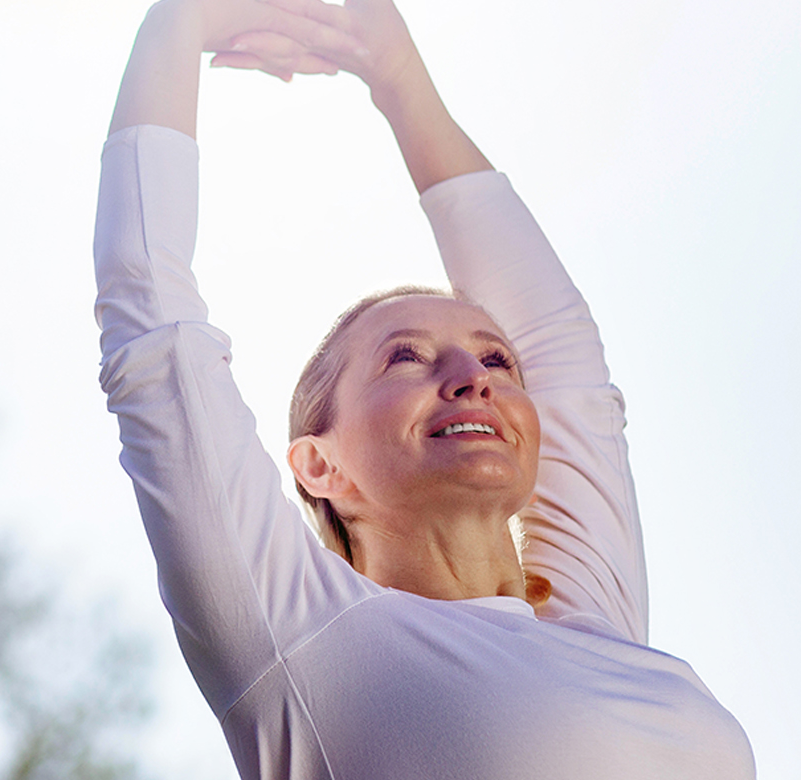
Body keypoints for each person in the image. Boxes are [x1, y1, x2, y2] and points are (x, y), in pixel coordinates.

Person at [91, 0, 756, 777]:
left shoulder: (597, 624)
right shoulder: (305, 638)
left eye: (497, 363)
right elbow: (151, 317)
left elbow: (564, 352)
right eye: (407, 358)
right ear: (318, 466)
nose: (471, 378)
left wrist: (401, 77)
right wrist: (180, 19)